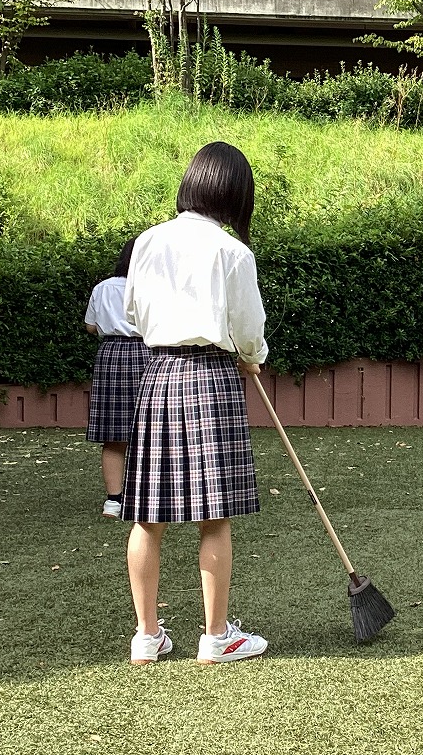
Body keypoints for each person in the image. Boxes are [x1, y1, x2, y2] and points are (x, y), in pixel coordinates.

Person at [122, 141, 269, 665]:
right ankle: (216, 636)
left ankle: (146, 635)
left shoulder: (147, 241)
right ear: (234, 194)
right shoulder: (232, 252)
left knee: (146, 516)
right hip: (211, 377)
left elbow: (134, 313)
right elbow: (248, 329)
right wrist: (252, 355)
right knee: (216, 515)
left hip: (158, 375)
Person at [84, 237, 151, 519]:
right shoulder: (153, 286)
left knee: (113, 434)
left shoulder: (103, 287)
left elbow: (91, 326)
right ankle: (147, 496)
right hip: (148, 353)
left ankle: (114, 501)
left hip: (111, 355)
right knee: (152, 429)